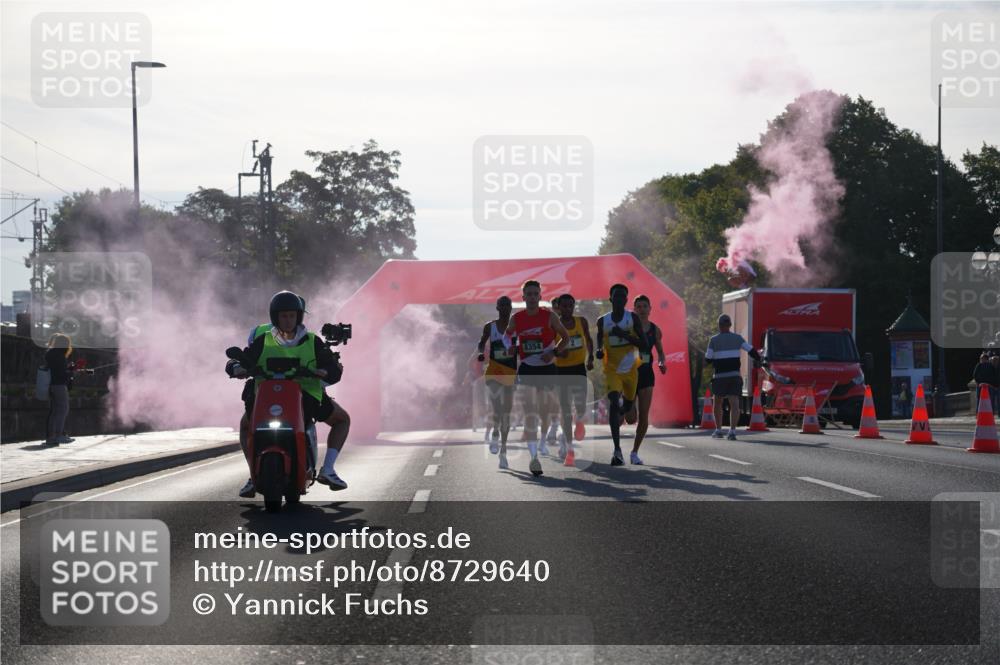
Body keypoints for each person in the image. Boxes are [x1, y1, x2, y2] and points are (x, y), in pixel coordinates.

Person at [227, 291, 350, 497]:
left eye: (292, 315)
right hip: (266, 400)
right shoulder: (263, 340)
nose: (288, 320)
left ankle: (328, 469)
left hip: (307, 399)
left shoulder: (313, 341)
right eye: (283, 316)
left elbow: (333, 368)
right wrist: (236, 367)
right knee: (245, 426)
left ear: (299, 316)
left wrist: (326, 371)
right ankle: (253, 474)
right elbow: (242, 360)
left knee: (343, 419)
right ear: (275, 317)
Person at [504, 280, 570, 476]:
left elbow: (565, 337)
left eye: (535, 294)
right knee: (530, 412)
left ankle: (543, 438)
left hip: (547, 369)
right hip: (527, 369)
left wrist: (553, 352)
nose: (532, 297)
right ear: (523, 297)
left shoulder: (549, 316)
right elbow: (506, 336)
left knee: (544, 411)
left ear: (540, 296)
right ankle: (534, 458)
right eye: (529, 294)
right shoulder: (517, 318)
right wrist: (510, 346)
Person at [595, 283, 648, 466]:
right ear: (610, 298)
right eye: (616, 296)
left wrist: (624, 336)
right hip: (612, 370)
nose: (619, 299)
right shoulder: (603, 321)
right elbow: (599, 341)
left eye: (622, 296)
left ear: (626, 300)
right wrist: (599, 351)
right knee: (613, 402)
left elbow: (644, 344)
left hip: (631, 371)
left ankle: (626, 406)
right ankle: (617, 451)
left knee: (627, 410)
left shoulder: (632, 318)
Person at [705, 313, 761, 440]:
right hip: (734, 376)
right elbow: (751, 350)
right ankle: (732, 431)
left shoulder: (713, 340)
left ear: (719, 326)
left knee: (717, 403)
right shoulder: (738, 338)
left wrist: (709, 359)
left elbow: (708, 359)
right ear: (730, 325)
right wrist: (759, 359)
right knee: (734, 402)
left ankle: (718, 430)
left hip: (719, 377)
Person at [477, 296, 517, 467]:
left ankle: (503, 451)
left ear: (511, 307)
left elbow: (523, 344)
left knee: (506, 412)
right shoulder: (490, 326)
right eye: (502, 305)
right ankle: (495, 431)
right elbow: (481, 343)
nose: (505, 308)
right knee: (497, 407)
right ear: (497, 308)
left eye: (508, 305)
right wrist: (481, 353)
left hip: (510, 373)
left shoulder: (516, 327)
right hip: (493, 372)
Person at [553, 293, 594, 461]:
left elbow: (589, 340)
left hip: (578, 369)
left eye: (570, 305)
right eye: (564, 306)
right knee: (565, 410)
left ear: (573, 306)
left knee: (581, 406)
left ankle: (579, 420)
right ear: (559, 308)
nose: (568, 309)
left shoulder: (581, 321)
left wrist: (591, 358)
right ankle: (569, 448)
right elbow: (550, 346)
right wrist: (558, 353)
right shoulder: (554, 325)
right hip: (561, 371)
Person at [631, 295, 666, 464]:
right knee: (630, 418)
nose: (642, 309)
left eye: (645, 306)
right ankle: (628, 407)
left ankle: (634, 452)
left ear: (650, 309)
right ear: (634, 309)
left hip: (646, 373)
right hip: (629, 373)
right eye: (639, 306)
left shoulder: (655, 330)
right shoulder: (628, 327)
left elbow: (660, 352)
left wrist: (661, 363)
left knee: (644, 416)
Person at [44, 333, 78, 446]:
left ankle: (51, 437)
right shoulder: (60, 356)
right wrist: (72, 371)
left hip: (51, 385)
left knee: (55, 411)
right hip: (59, 385)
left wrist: (68, 369)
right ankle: (59, 435)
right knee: (63, 409)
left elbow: (56, 370)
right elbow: (62, 374)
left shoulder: (50, 354)